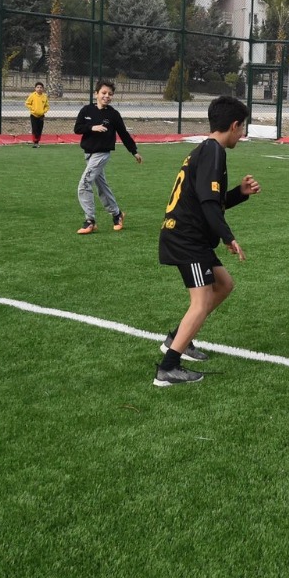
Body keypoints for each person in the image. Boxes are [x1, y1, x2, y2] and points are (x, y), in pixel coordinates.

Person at [154, 95, 260, 386]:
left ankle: (178, 339)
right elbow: (209, 205)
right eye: (243, 128)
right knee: (200, 302)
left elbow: (210, 200)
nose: (244, 134)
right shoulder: (214, 152)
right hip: (187, 238)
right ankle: (168, 367)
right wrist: (228, 237)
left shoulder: (206, 149)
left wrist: (239, 193)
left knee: (224, 285)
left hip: (189, 235)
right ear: (235, 125)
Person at [73, 80, 141, 234]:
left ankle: (90, 220)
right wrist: (92, 127)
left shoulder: (113, 114)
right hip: (88, 155)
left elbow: (123, 134)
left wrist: (134, 151)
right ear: (96, 94)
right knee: (102, 186)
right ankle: (117, 214)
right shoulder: (86, 110)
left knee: (84, 184)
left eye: (110, 94)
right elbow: (77, 129)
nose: (107, 96)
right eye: (104, 93)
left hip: (102, 155)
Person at [25, 82, 50, 148]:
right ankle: (35, 142)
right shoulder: (32, 95)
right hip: (33, 115)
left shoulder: (44, 96)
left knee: (39, 129)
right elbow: (27, 103)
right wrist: (33, 109)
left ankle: (38, 141)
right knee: (35, 129)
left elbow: (47, 106)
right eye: (38, 87)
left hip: (41, 116)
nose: (39, 89)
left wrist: (44, 111)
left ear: (43, 89)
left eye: (41, 87)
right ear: (35, 88)